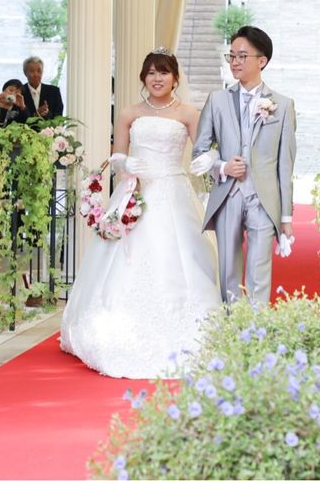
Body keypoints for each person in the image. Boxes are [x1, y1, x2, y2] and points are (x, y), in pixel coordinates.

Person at [60, 47, 222, 379]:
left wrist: (210, 159)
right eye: (151, 73)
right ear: (143, 78)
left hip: (174, 190)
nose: (157, 78)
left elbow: (204, 151)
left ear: (175, 78)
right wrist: (126, 163)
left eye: (163, 72)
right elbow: (117, 156)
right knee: (125, 257)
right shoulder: (129, 113)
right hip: (136, 191)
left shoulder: (189, 114)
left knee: (181, 255)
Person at [191, 26, 296, 305]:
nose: (235, 62)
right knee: (228, 271)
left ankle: (255, 328)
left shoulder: (283, 106)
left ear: (262, 61)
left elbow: (285, 165)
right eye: (232, 56)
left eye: (242, 56)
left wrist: (286, 218)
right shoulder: (217, 100)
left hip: (264, 200)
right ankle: (231, 324)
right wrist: (223, 167)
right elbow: (199, 152)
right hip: (228, 196)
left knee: (259, 272)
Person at [21, 56, 63, 120]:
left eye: (39, 71)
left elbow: (59, 118)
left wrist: (47, 113)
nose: (36, 75)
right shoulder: (20, 92)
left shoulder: (54, 91)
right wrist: (36, 114)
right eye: (32, 71)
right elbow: (17, 119)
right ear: (25, 73)